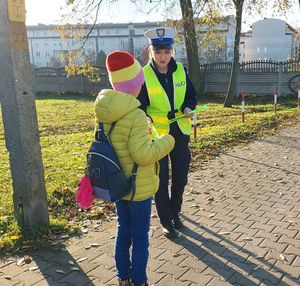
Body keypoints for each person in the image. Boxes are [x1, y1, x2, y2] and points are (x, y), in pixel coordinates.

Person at [94, 51, 175, 286]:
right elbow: (143, 154)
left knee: (123, 231)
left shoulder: (104, 113)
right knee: (140, 238)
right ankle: (139, 281)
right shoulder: (136, 115)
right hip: (138, 187)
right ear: (137, 83)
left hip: (117, 183)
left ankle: (123, 278)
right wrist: (167, 141)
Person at [138, 27, 197, 239]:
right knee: (160, 179)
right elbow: (139, 104)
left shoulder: (181, 70)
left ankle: (175, 213)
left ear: (172, 51)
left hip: (179, 130)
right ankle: (165, 221)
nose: (163, 57)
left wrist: (189, 108)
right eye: (158, 52)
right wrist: (143, 117)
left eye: (166, 52)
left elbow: (191, 96)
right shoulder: (143, 75)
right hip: (157, 133)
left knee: (180, 176)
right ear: (151, 52)